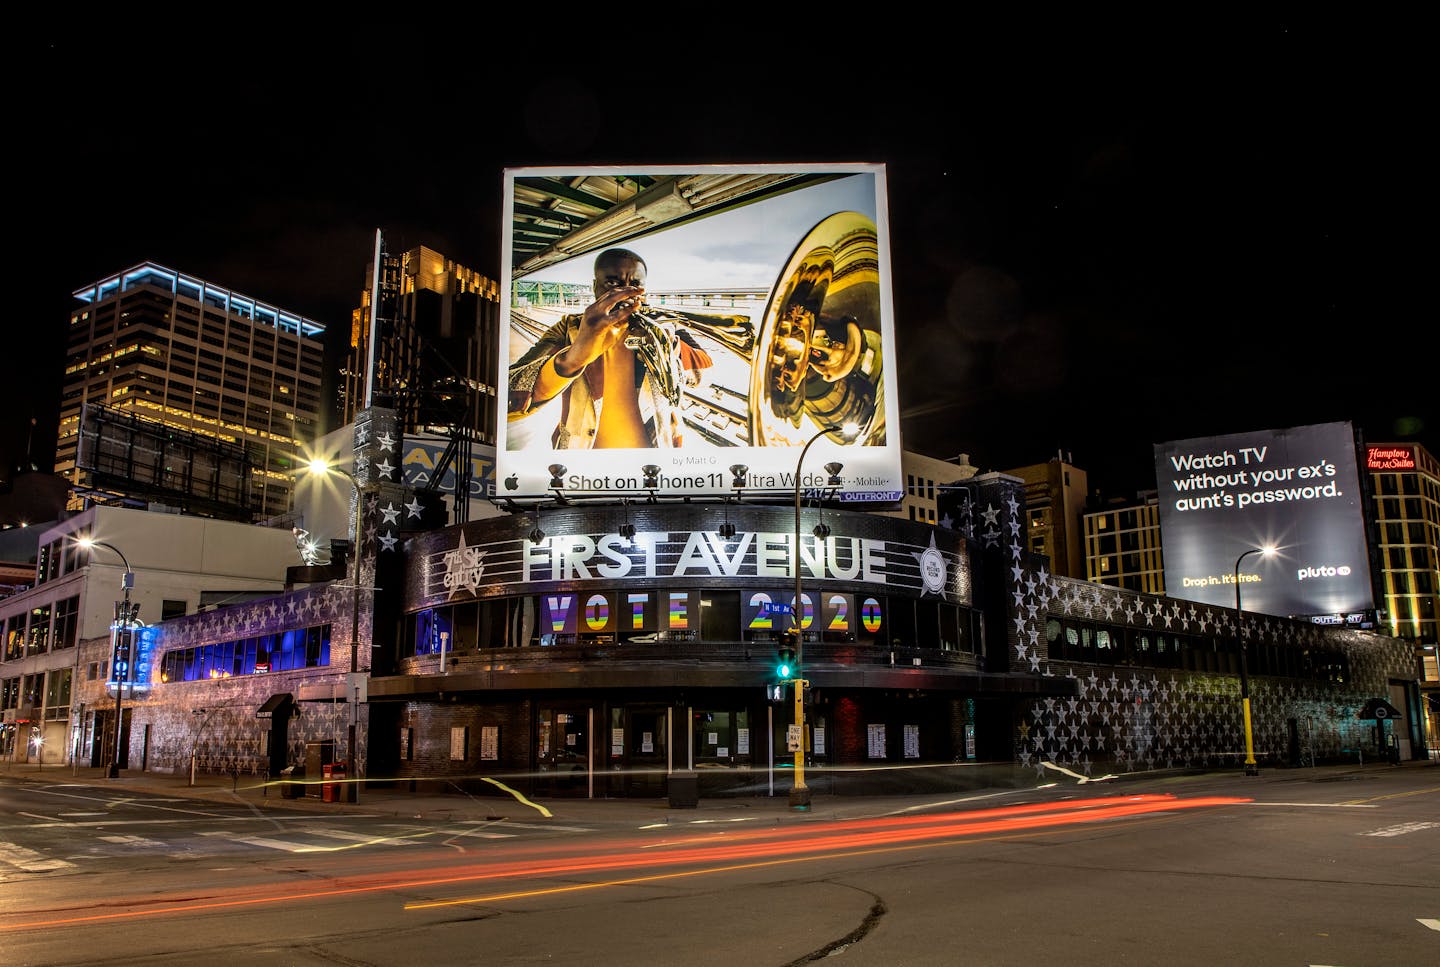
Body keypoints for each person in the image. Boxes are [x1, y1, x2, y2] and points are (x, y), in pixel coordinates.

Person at [508, 248, 687, 449]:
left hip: (652, 459)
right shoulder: (569, 328)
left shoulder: (663, 328)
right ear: (595, 287)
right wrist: (572, 359)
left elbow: (700, 378)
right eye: (612, 283)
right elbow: (508, 397)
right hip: (584, 460)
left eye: (635, 285)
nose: (624, 293)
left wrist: (671, 348)